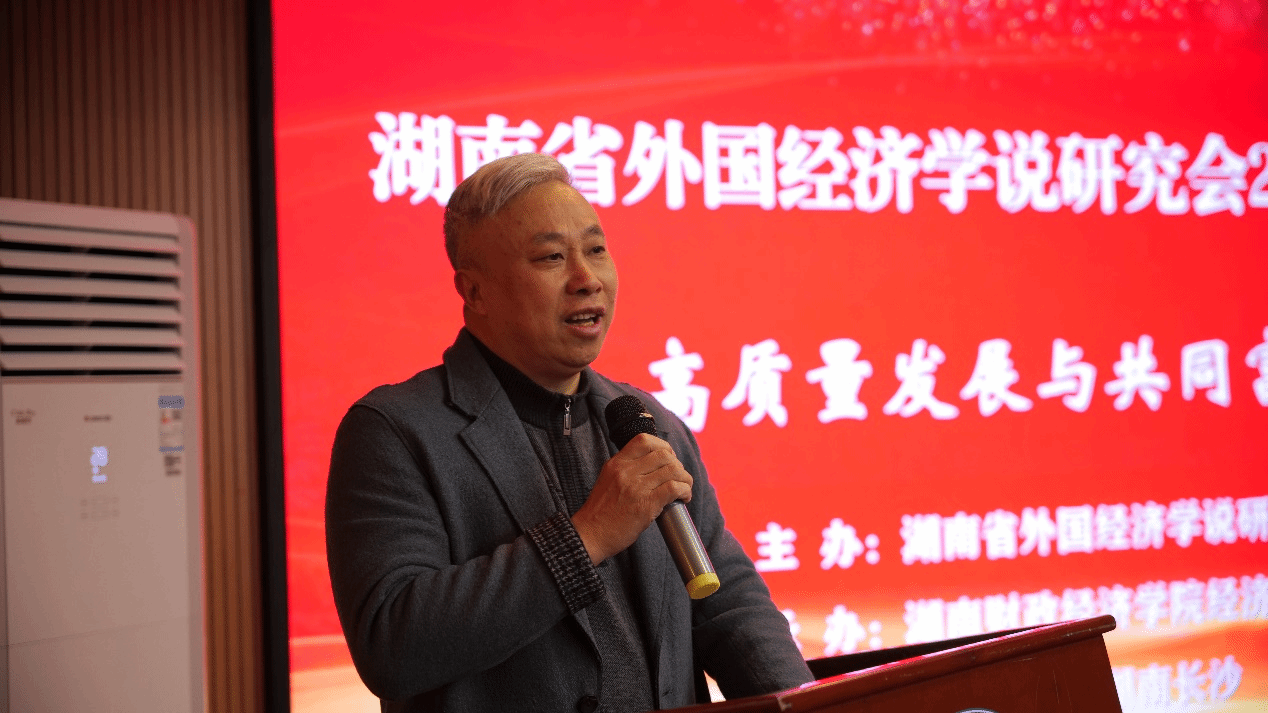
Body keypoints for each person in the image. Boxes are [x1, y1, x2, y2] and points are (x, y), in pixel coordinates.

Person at [325, 153, 814, 712]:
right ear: (474, 292)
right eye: (552, 257)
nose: (587, 280)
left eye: (596, 250)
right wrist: (587, 537)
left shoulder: (648, 424)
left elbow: (732, 608)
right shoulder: (395, 432)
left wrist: (809, 704)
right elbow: (393, 645)